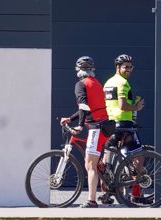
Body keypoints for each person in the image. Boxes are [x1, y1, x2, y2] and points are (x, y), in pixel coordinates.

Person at [101, 54, 152, 204]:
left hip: (110, 123)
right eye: (126, 67)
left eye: (130, 67)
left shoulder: (108, 83)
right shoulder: (123, 83)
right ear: (118, 67)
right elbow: (122, 105)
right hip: (124, 124)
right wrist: (136, 107)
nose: (129, 70)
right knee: (139, 155)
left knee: (108, 158)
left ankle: (106, 193)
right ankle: (136, 194)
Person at [60, 56, 109, 208]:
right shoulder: (96, 83)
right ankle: (107, 183)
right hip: (104, 125)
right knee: (96, 162)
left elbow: (84, 107)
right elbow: (90, 107)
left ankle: (92, 201)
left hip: (96, 128)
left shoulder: (80, 84)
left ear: (78, 70)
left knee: (90, 165)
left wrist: (79, 125)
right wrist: (71, 119)